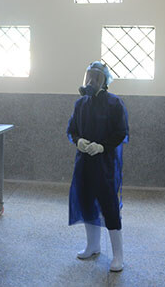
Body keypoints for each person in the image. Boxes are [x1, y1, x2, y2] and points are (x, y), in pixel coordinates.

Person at [66, 61, 129, 272]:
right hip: (84, 163)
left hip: (105, 164)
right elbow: (72, 129)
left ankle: (118, 255)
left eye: (96, 77)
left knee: (109, 205)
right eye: (89, 77)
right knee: (85, 201)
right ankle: (92, 246)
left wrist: (102, 146)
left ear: (105, 81)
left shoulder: (115, 103)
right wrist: (79, 141)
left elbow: (121, 132)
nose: (91, 82)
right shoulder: (80, 104)